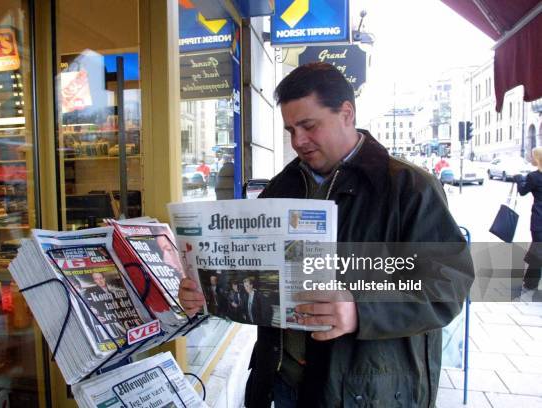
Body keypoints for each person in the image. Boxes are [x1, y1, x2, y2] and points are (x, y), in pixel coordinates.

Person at [178, 62, 473, 407]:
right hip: (281, 382)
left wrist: (361, 311)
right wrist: (209, 291)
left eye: (308, 125)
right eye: (290, 129)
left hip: (363, 393)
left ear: (346, 113)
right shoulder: (281, 187)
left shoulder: (409, 188)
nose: (298, 141)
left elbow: (448, 284)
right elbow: (259, 281)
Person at [514, 146, 542, 299]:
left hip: (539, 220)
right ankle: (530, 281)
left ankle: (531, 282)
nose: (531, 158)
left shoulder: (534, 176)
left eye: (533, 156)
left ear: (537, 159)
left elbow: (523, 191)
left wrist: (518, 178)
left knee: (538, 251)